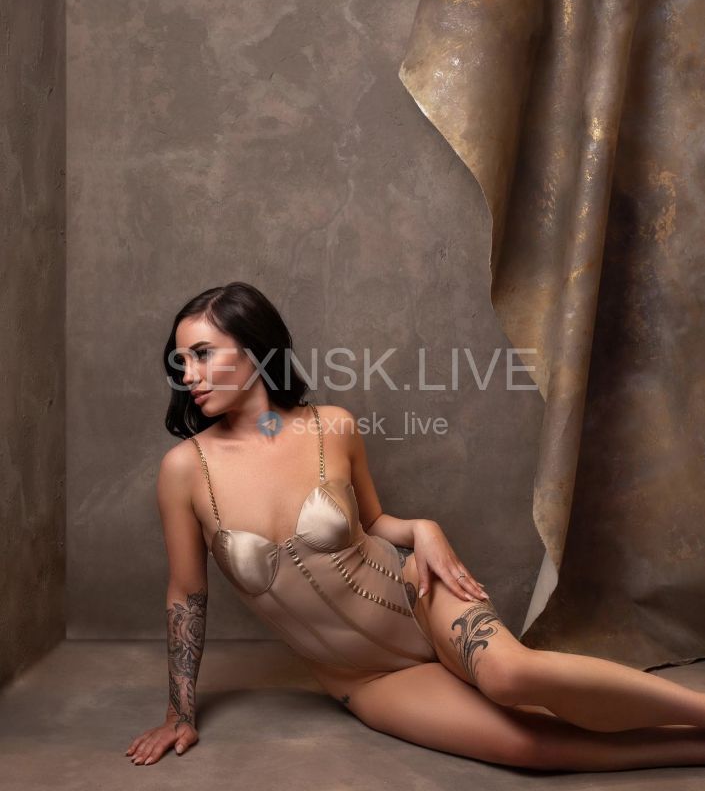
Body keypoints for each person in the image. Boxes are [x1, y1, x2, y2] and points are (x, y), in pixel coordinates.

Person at [125, 281, 705, 771]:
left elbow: (373, 521)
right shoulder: (184, 470)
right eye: (181, 361)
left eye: (203, 354)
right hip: (364, 678)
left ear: (255, 350)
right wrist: (179, 712)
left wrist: (423, 527)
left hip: (419, 598)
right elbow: (186, 594)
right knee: (528, 749)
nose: (188, 374)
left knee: (510, 676)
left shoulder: (333, 427)